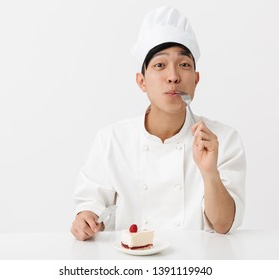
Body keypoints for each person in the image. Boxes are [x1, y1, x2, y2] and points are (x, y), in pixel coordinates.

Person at [70, 6, 246, 241]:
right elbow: (90, 201)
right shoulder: (111, 140)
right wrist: (86, 218)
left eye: (184, 65)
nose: (173, 76)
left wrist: (209, 172)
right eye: (160, 65)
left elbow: (224, 225)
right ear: (141, 81)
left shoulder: (222, 139)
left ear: (196, 79)